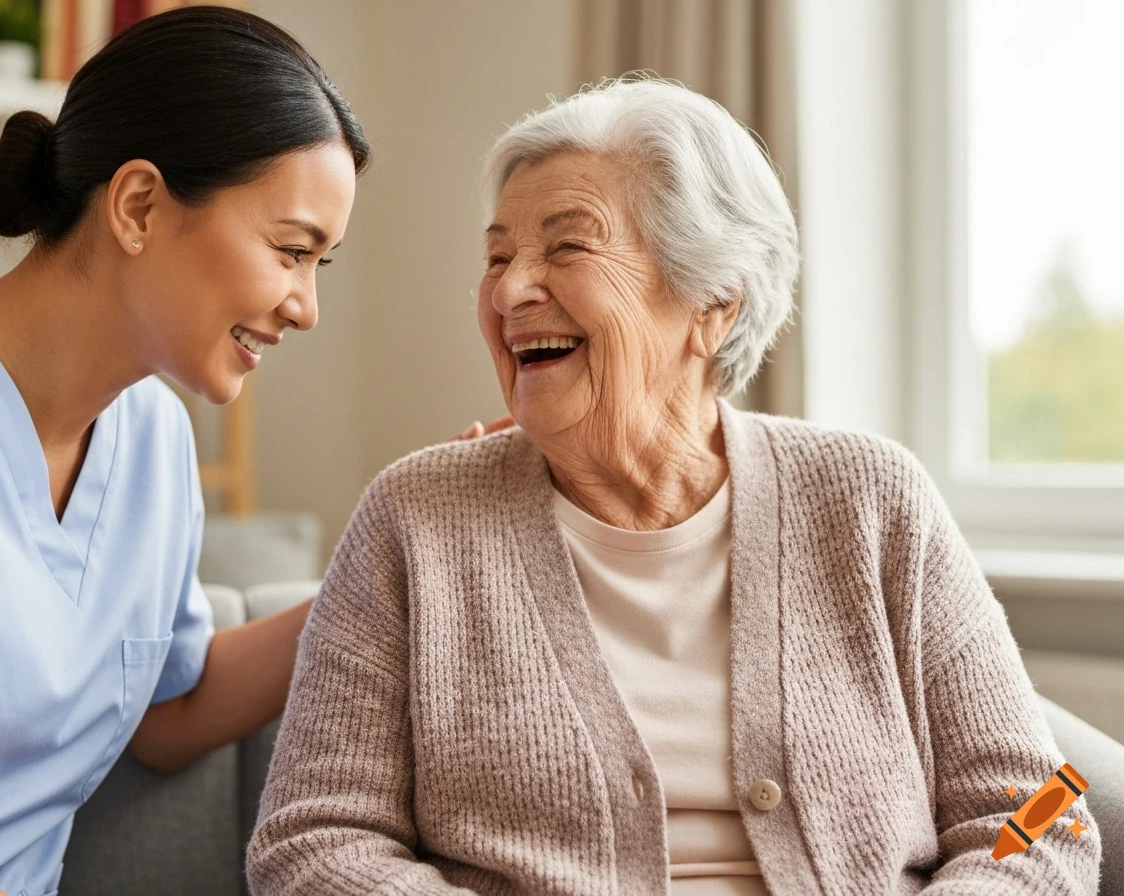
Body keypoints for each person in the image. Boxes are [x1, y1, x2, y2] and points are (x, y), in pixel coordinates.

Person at [247, 78, 1102, 894]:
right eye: (497, 256)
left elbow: (1043, 807)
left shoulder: (872, 501)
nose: (509, 290)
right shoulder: (417, 518)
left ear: (714, 301)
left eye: (569, 244)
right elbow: (314, 840)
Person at [0, 8, 509, 895]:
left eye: (320, 264)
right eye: (290, 251)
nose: (305, 307)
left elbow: (171, 712)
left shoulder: (152, 434)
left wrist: (403, 555)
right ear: (139, 206)